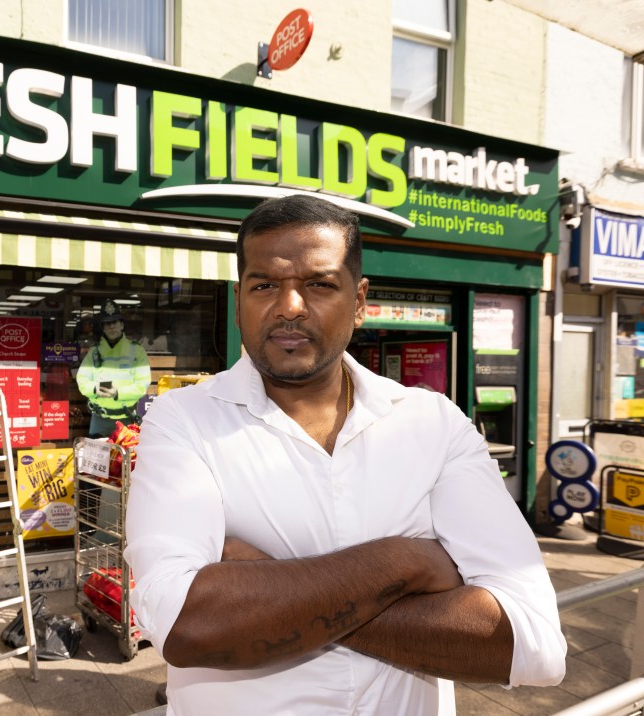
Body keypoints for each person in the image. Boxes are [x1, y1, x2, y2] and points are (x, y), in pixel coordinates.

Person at [123, 194, 566, 715]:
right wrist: (405, 562)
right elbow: (187, 626)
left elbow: (531, 644)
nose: (289, 306)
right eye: (264, 284)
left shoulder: (433, 423)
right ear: (239, 299)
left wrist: (270, 591)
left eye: (319, 284)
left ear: (358, 301)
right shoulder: (183, 420)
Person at [76, 298, 151, 438]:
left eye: (115, 322)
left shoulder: (137, 351)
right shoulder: (94, 352)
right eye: (107, 324)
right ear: (103, 328)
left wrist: (117, 392)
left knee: (126, 459)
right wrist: (94, 389)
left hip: (127, 420)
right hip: (100, 419)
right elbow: (82, 380)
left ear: (122, 325)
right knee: (98, 459)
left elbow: (142, 385)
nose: (112, 327)